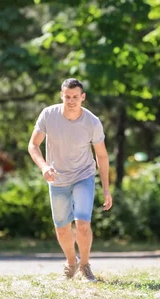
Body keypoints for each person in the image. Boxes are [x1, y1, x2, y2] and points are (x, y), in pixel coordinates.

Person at [28, 78, 113, 282]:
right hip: (57, 178)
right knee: (62, 226)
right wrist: (44, 166)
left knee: (82, 223)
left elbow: (102, 156)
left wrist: (107, 190)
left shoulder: (92, 122)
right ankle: (71, 263)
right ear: (61, 96)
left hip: (83, 175)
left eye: (75, 97)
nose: (71, 100)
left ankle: (85, 265)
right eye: (67, 97)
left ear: (83, 97)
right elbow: (33, 145)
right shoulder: (49, 115)